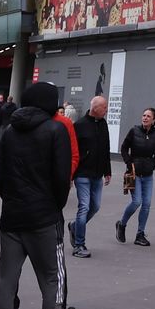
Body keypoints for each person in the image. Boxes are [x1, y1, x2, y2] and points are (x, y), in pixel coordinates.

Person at [0, 80, 83, 309]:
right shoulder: (55, 131)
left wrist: (15, 201)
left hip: (11, 220)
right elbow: (61, 178)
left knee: (5, 286)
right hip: (44, 220)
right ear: (50, 104)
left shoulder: (8, 132)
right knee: (51, 283)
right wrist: (53, 206)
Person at [69, 94, 111, 257]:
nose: (106, 110)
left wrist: (107, 171)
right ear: (95, 108)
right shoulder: (79, 125)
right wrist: (71, 174)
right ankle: (79, 245)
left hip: (97, 174)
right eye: (104, 107)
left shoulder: (103, 124)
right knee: (84, 206)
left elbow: (105, 148)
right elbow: (73, 151)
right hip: (82, 174)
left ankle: (75, 226)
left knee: (95, 207)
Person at [118, 106, 155, 245]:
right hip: (135, 173)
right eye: (144, 115)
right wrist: (129, 162)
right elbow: (124, 148)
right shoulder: (134, 131)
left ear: (154, 120)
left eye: (148, 116)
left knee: (147, 204)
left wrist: (153, 165)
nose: (145, 118)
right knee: (136, 201)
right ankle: (122, 224)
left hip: (148, 174)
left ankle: (140, 234)